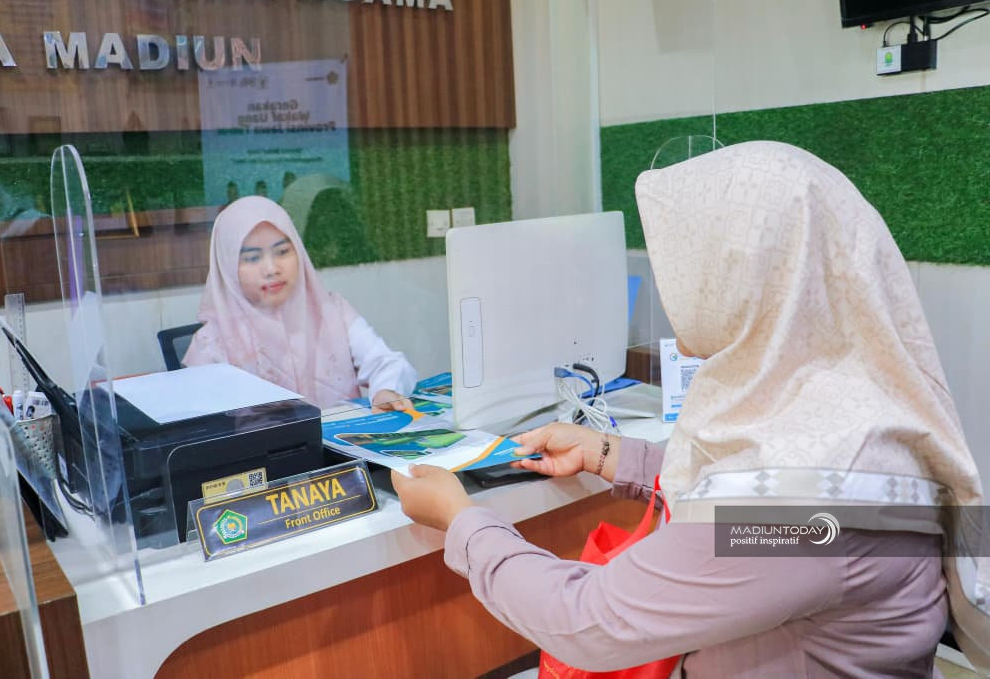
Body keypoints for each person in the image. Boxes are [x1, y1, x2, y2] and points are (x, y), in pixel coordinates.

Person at [392, 141, 990, 676]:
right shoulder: (858, 411)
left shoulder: (798, 517)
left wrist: (461, 520)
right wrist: (611, 453)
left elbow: (588, 620)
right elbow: (747, 498)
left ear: (746, 276)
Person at [183, 196, 416, 411]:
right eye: (253, 258)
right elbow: (200, 422)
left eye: (282, 251)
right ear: (227, 267)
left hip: (340, 442)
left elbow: (386, 362)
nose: (272, 269)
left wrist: (385, 391)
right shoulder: (211, 343)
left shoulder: (332, 311)